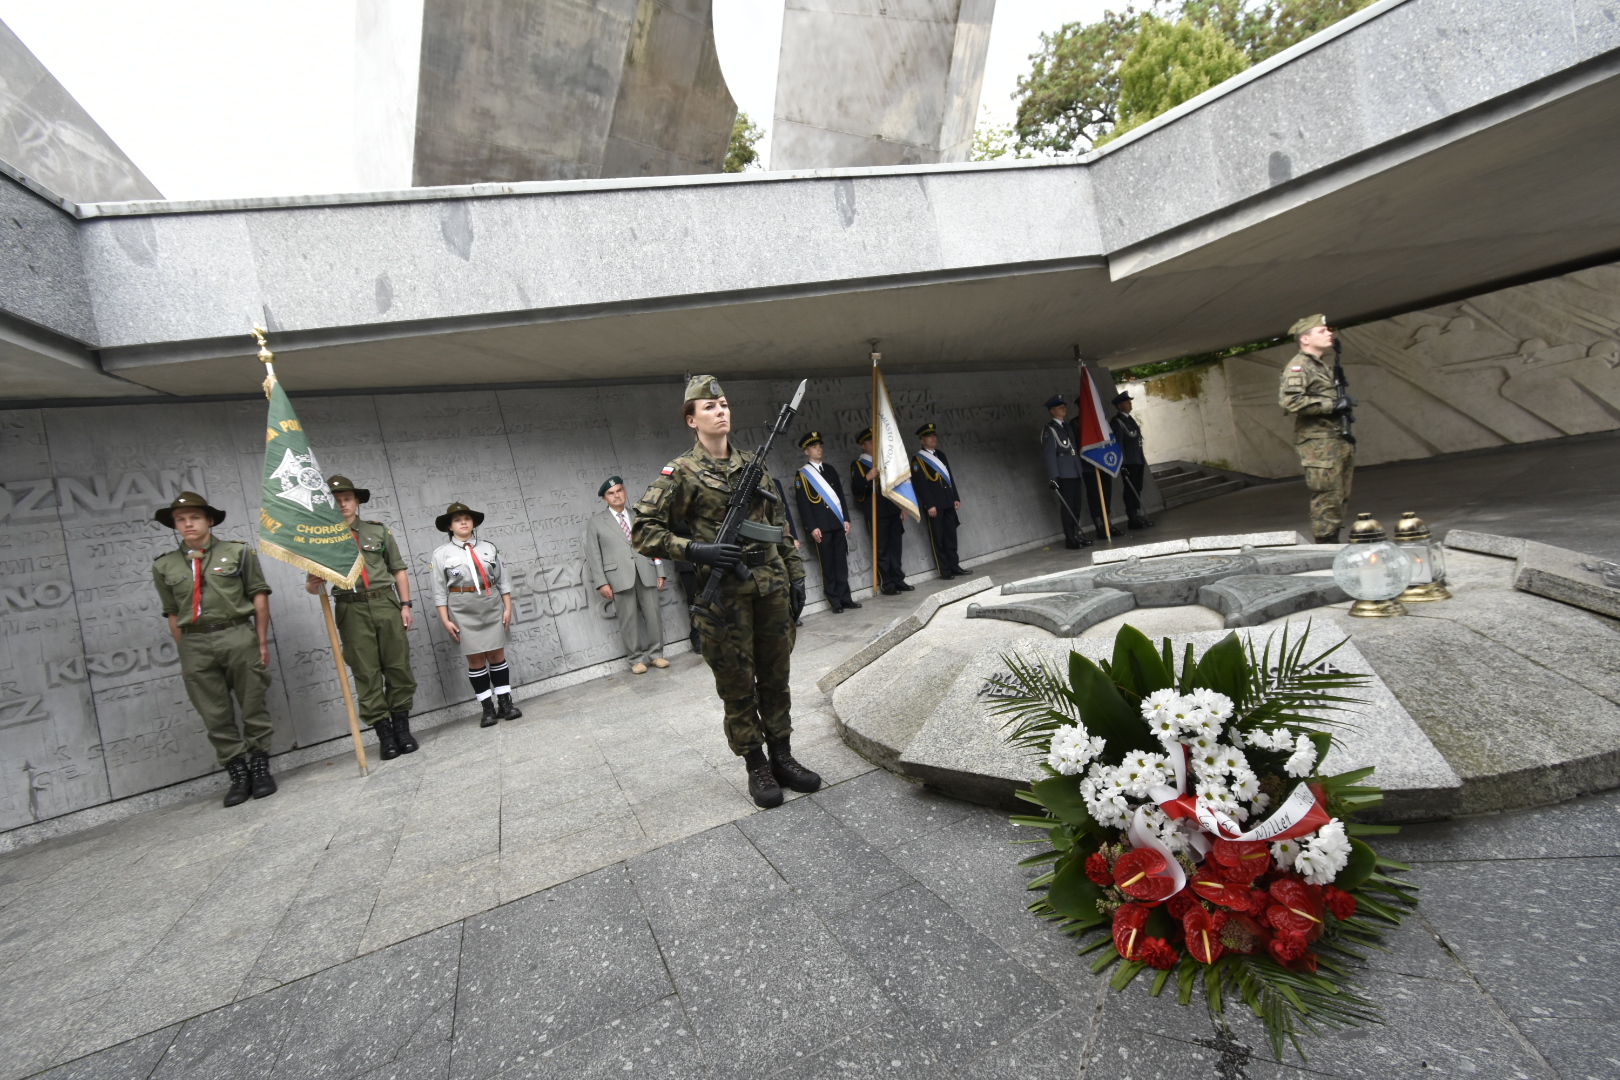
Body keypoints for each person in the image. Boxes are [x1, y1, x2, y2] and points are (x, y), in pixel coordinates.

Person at [632, 374, 817, 809]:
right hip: (724, 597)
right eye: (710, 407)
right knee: (737, 686)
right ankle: (757, 765)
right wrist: (695, 549)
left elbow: (777, 527)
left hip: (769, 585)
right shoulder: (680, 473)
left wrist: (795, 574)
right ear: (691, 420)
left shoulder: (754, 462)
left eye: (725, 405)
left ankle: (783, 756)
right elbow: (643, 530)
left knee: (776, 678)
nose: (721, 411)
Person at [151, 492, 277, 807]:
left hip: (235, 634)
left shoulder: (238, 553)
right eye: (181, 519)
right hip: (194, 642)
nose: (188, 524)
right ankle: (238, 773)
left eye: (194, 517)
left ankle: (260, 768)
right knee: (213, 712)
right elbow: (171, 612)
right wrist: (185, 652)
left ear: (209, 520)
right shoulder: (165, 565)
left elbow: (259, 595)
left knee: (253, 703)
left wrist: (260, 641)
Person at [306, 475, 419, 760]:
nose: (342, 504)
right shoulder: (321, 540)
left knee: (397, 666)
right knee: (366, 672)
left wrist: (405, 605)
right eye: (336, 500)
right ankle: (384, 734)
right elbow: (312, 584)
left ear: (357, 501)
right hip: (350, 608)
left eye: (347, 498)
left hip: (385, 603)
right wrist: (312, 583)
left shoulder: (377, 531)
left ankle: (402, 728)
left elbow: (398, 570)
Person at [431, 501, 522, 727]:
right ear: (450, 527)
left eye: (467, 518)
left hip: (490, 602)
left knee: (497, 656)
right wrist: (445, 619)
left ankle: (505, 703)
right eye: (457, 519)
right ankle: (487, 708)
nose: (463, 522)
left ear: (473, 523)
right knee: (476, 658)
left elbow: (503, 579)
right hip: (462, 607)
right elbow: (439, 590)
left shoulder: (488, 548)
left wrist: (507, 607)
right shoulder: (441, 554)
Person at [1279, 314, 1354, 543]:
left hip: (1334, 438)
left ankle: (1333, 542)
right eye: (1321, 331)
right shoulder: (1299, 366)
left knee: (1339, 495)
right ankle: (1326, 547)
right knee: (1326, 496)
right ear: (1305, 339)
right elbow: (1290, 401)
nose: (1329, 333)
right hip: (1318, 443)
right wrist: (1332, 405)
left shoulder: (1320, 365)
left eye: (1328, 330)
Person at [584, 476, 669, 674]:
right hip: (618, 577)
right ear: (605, 499)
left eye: (619, 491)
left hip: (646, 571)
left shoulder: (639, 516)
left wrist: (660, 570)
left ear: (625, 492)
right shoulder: (596, 523)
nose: (616, 496)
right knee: (628, 619)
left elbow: (652, 545)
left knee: (653, 615)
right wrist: (602, 583)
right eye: (611, 493)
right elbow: (593, 556)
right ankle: (636, 659)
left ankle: (656, 654)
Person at [792, 431, 859, 613]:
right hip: (821, 527)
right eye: (814, 447)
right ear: (807, 451)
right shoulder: (803, 475)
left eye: (820, 446)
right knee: (828, 565)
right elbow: (804, 504)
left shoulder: (830, 469)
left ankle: (846, 598)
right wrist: (812, 527)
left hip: (836, 523)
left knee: (841, 564)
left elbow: (840, 497)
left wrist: (845, 518)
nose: (819, 449)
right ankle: (834, 601)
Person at [850, 428, 912, 594]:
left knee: (896, 548)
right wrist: (867, 478)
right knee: (882, 550)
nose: (874, 444)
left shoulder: (885, 462)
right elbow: (856, 489)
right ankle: (888, 583)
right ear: (863, 446)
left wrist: (901, 506)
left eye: (875, 440)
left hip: (892, 509)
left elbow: (894, 487)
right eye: (870, 442)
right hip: (876, 513)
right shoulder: (859, 465)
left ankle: (898, 579)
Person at [910, 423, 969, 579]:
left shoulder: (941, 455)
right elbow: (921, 484)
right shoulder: (918, 460)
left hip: (947, 501)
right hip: (935, 505)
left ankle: (954, 566)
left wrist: (955, 496)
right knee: (939, 538)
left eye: (934, 435)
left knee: (951, 536)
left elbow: (949, 477)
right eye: (929, 436)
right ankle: (944, 570)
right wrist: (929, 504)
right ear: (922, 440)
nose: (933, 438)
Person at [1041, 396, 1092, 549]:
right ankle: (1070, 538)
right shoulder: (1049, 430)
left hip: (1075, 471)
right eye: (1059, 407)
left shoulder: (1067, 427)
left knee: (1076, 505)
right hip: (1063, 473)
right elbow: (1049, 454)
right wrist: (1053, 476)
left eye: (1064, 405)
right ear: (1052, 411)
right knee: (1068, 506)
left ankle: (1076, 534)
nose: (1064, 408)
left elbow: (1074, 449)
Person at [1109, 391, 1155, 530]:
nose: (1130, 403)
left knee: (1137, 488)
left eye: (1130, 401)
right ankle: (1132, 518)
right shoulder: (1117, 422)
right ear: (1119, 405)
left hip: (1137, 459)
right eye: (1127, 402)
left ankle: (1137, 514)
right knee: (1130, 490)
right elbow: (1118, 444)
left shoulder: (1129, 419)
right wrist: (1122, 464)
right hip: (1129, 461)